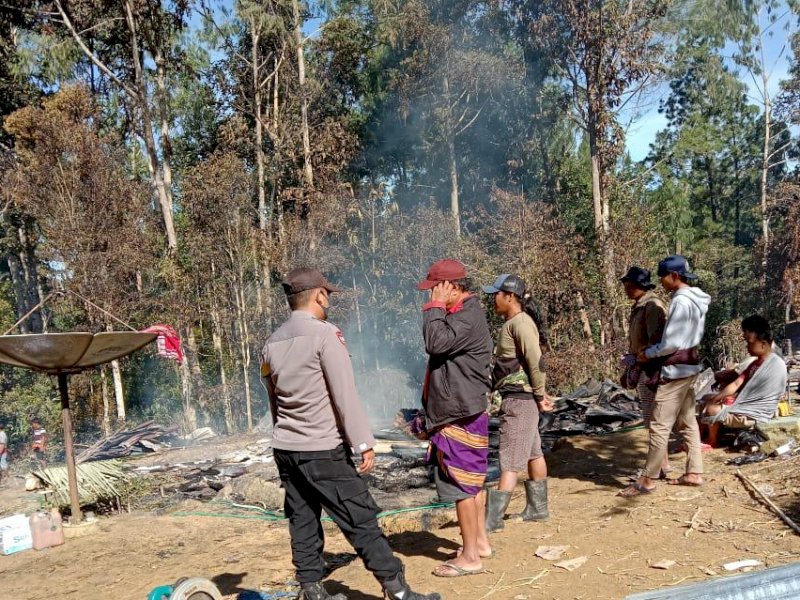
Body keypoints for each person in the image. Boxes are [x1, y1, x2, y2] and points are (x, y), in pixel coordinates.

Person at [261, 267, 440, 600]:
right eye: (327, 293)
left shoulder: (272, 342)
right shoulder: (325, 335)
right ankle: (398, 590)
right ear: (319, 295)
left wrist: (285, 434)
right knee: (360, 517)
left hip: (286, 448)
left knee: (301, 517)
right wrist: (362, 442)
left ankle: (312, 589)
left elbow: (274, 400)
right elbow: (344, 394)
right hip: (322, 449)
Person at [414, 259, 493, 578]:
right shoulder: (462, 315)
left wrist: (433, 307)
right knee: (472, 482)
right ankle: (480, 543)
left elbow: (435, 342)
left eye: (434, 289)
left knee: (462, 484)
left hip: (460, 412)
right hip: (461, 407)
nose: (430, 295)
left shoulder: (467, 315)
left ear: (451, 287)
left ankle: (471, 556)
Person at [619, 255, 711, 496]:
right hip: (689, 367)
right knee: (688, 421)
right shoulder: (697, 300)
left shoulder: (679, 301)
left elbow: (669, 343)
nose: (661, 282)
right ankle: (694, 471)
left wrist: (647, 354)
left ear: (675, 276)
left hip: (675, 369)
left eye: (663, 277)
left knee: (659, 425)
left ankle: (647, 480)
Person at [481, 274, 553, 533]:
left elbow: (536, 361)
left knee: (510, 459)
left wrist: (540, 395)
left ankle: (493, 520)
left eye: (496, 295)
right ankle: (538, 508)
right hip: (522, 399)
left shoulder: (520, 323)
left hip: (519, 400)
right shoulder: (514, 322)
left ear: (509, 296)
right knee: (533, 452)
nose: (493, 301)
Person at [700, 315, 788, 447]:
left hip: (754, 412)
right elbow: (736, 384)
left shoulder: (775, 364)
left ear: (763, 344)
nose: (747, 346)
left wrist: (724, 399)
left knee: (711, 409)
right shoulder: (755, 363)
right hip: (744, 405)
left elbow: (762, 397)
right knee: (707, 399)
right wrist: (719, 397)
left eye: (750, 343)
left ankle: (712, 441)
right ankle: (701, 437)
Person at [619, 266, 671, 479]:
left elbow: (655, 342)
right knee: (652, 420)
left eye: (629, 286)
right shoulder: (640, 306)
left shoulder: (652, 306)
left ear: (638, 285)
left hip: (651, 370)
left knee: (654, 420)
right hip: (642, 367)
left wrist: (639, 362)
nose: (626, 290)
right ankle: (663, 465)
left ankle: (657, 468)